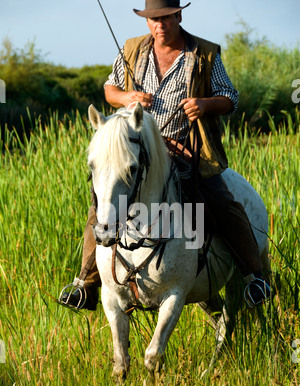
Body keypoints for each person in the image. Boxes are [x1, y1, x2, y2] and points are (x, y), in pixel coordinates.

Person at [59, 0, 270, 310]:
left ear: (178, 16)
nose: (160, 25)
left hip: (185, 148)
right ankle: (86, 284)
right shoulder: (132, 49)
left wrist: (205, 104)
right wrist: (126, 97)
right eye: (154, 19)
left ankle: (254, 277)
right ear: (147, 22)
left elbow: (231, 97)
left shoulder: (204, 53)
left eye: (166, 18)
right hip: (136, 146)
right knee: (102, 203)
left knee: (220, 199)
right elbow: (109, 89)